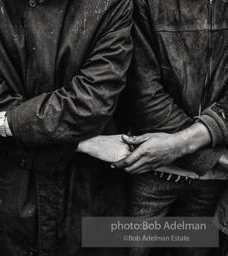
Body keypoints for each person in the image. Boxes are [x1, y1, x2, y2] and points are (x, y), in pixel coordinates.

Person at [0, 0, 133, 255]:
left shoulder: (111, 3)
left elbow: (91, 103)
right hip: (12, 193)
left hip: (86, 191)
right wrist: (85, 144)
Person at [110, 0, 228, 255]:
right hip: (151, 168)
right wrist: (212, 156)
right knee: (117, 246)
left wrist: (189, 146)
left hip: (210, 180)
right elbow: (141, 94)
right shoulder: (142, 4)